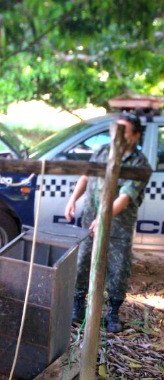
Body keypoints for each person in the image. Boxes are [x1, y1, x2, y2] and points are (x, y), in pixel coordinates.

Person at [64, 112, 151, 333]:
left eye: (123, 133)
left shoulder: (140, 164)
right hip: (90, 220)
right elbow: (86, 175)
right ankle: (77, 305)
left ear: (136, 136)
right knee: (83, 261)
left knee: (118, 268)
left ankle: (112, 312)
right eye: (115, 132)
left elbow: (125, 197)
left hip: (117, 226)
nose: (117, 138)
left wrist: (103, 218)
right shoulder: (103, 150)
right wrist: (73, 200)